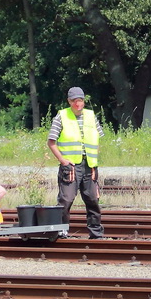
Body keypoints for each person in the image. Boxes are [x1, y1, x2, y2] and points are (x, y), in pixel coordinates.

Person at [47, 86, 104, 239]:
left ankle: (96, 233)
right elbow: (51, 142)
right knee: (66, 199)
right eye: (74, 101)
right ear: (69, 101)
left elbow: (98, 138)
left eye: (80, 100)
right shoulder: (62, 116)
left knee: (93, 200)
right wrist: (62, 160)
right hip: (70, 166)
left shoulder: (91, 116)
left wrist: (94, 156)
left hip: (89, 165)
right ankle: (61, 231)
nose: (78, 104)